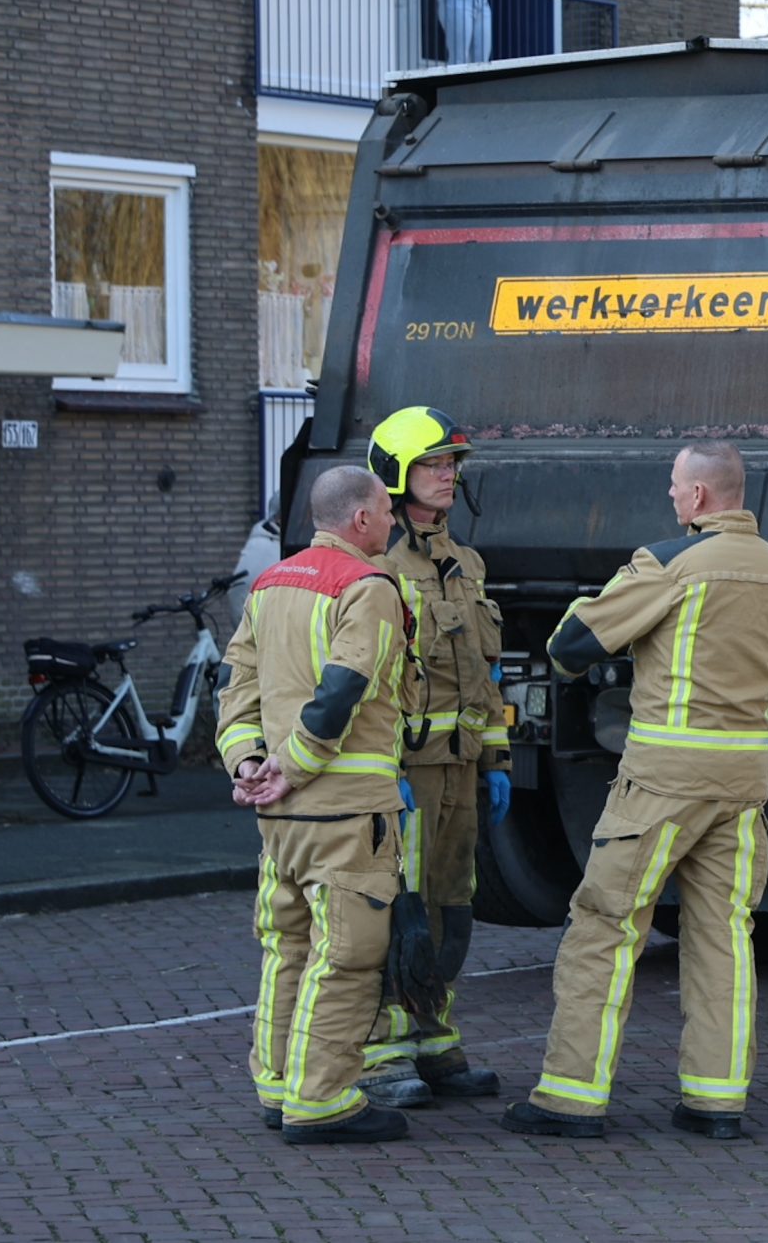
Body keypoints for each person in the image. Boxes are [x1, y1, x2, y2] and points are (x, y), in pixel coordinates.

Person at [503, 442, 768, 1141]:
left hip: (664, 780)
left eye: (676, 486)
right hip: (743, 783)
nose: (671, 497)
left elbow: (570, 645)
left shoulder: (669, 563)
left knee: (604, 924)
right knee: (725, 936)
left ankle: (570, 1097)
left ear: (700, 497)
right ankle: (717, 1100)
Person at [215, 467, 415, 1144]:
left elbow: (235, 683)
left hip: (281, 820)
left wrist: (249, 764)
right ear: (360, 519)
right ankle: (323, 1099)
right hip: (346, 811)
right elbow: (344, 687)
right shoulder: (369, 587)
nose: (394, 521)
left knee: (287, 948)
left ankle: (278, 1085)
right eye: (387, 510)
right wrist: (293, 766)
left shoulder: (271, 584)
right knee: (349, 956)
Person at [356, 407, 509, 1106]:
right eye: (434, 465)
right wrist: (384, 766)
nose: (449, 475)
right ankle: (384, 1054)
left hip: (460, 769)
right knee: (398, 910)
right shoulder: (379, 568)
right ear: (394, 476)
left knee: (450, 908)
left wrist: (498, 756)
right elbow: (372, 677)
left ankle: (435, 1040)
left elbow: (486, 671)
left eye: (453, 465)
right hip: (406, 773)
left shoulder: (466, 563)